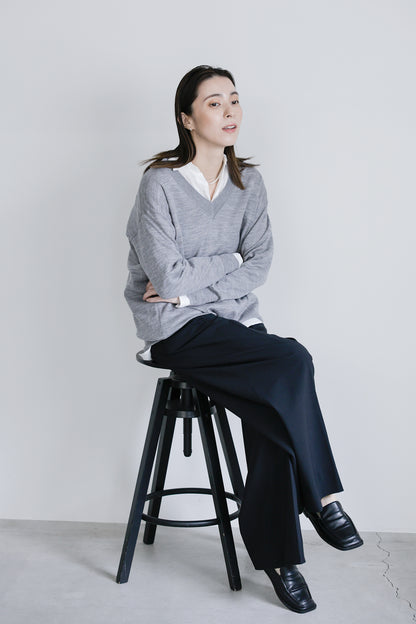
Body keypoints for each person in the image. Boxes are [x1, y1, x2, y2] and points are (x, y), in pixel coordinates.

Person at [123, 64, 363, 614]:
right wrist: (222, 266)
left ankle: (280, 558)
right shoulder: (159, 183)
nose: (229, 111)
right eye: (214, 103)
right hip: (175, 330)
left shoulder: (248, 184)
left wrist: (194, 283)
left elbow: (258, 265)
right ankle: (321, 497)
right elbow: (167, 275)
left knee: (273, 404)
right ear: (187, 119)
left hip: (234, 325)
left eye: (234, 100)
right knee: (293, 359)